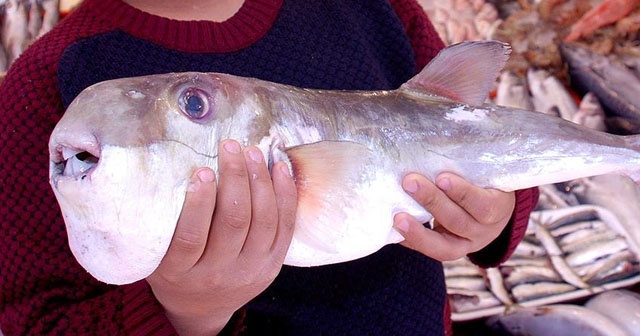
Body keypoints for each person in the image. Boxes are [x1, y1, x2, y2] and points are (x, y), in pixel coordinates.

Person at [0, 0, 539, 334]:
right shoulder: (45, 84)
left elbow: (467, 129)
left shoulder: (378, 9)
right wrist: (184, 314)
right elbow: (32, 318)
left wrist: (495, 214)